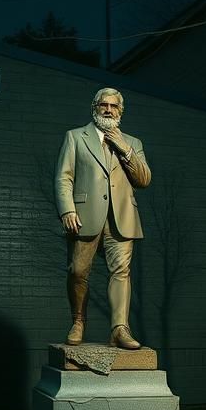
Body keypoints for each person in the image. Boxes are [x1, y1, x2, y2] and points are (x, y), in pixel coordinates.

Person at [55, 87, 151, 349]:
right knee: (77, 272)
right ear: (94, 107)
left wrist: (125, 149)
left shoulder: (134, 142)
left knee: (121, 271)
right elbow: (64, 176)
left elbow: (144, 180)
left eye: (114, 106)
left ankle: (120, 328)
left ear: (121, 111)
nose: (108, 110)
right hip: (84, 216)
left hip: (122, 218)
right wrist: (67, 209)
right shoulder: (75, 137)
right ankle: (78, 320)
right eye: (103, 105)